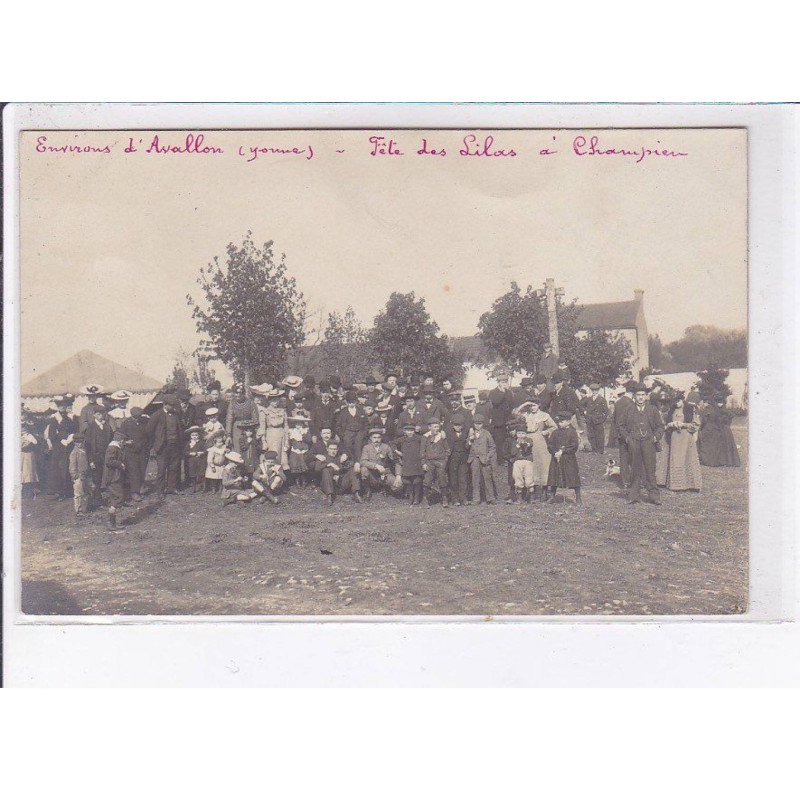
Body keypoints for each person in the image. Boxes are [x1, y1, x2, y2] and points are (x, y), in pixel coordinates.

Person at [618, 384, 665, 504]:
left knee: (650, 470)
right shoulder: (628, 409)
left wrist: (656, 437)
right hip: (633, 442)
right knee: (635, 469)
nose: (640, 397)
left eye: (643, 395)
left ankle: (654, 496)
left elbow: (660, 426)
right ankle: (634, 495)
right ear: (634, 396)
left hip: (649, 442)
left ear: (646, 396)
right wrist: (627, 438)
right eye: (638, 395)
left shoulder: (653, 409)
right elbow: (621, 426)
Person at [512, 397, 556, 501]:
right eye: (530, 406)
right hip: (527, 441)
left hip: (540, 442)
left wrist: (546, 432)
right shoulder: (526, 415)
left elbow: (554, 427)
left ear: (539, 405)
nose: (532, 408)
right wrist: (525, 404)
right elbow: (515, 413)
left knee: (543, 465)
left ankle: (545, 491)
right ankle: (534, 492)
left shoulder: (544, 415)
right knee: (531, 465)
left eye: (534, 405)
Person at [664, 394, 702, 491]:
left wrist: (683, 424)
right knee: (676, 460)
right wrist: (670, 424)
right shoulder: (671, 410)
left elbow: (696, 425)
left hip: (687, 437)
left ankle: (692, 485)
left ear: (682, 400)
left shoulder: (690, 409)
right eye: (674, 402)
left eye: (678, 401)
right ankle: (677, 486)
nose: (676, 404)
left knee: (689, 459)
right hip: (675, 438)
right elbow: (665, 424)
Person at [148, 394, 183, 496]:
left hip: (175, 445)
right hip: (162, 446)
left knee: (173, 467)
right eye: (171, 405)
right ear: (165, 404)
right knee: (162, 469)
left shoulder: (176, 414)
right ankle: (160, 491)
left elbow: (179, 428)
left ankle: (171, 488)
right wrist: (156, 442)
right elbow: (149, 430)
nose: (173, 407)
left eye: (174, 405)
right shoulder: (157, 415)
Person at [44, 395, 76, 499]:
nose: (63, 407)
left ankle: (68, 491)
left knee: (68, 467)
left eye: (64, 405)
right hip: (58, 446)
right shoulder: (54, 418)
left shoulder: (69, 418)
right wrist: (61, 440)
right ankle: (60, 492)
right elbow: (51, 434)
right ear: (57, 406)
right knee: (59, 468)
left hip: (69, 445)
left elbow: (73, 430)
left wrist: (70, 438)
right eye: (60, 405)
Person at [547, 414, 582, 504]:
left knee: (573, 477)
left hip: (568, 459)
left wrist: (563, 451)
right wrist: (554, 452)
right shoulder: (555, 432)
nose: (559, 423)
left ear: (568, 422)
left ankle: (578, 498)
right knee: (554, 477)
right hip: (556, 458)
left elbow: (574, 445)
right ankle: (552, 496)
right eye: (558, 422)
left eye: (562, 422)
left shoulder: (572, 432)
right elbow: (550, 444)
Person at [699, 396, 741, 467]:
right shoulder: (721, 409)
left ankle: (723, 461)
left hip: (721, 429)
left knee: (723, 445)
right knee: (726, 445)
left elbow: (716, 419)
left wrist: (725, 422)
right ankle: (727, 461)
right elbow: (730, 416)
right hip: (724, 429)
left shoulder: (718, 409)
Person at [315, 440, 361, 505]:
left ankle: (356, 493)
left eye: (335, 449)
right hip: (328, 484)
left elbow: (350, 464)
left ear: (338, 449)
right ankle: (329, 496)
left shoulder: (340, 458)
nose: (333, 451)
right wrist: (329, 464)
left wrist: (340, 472)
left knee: (352, 470)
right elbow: (317, 469)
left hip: (340, 483)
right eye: (331, 449)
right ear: (327, 449)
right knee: (326, 470)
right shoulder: (323, 458)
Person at [120, 406, 151, 500]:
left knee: (142, 469)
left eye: (139, 416)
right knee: (134, 472)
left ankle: (141, 487)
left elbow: (150, 434)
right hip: (131, 451)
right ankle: (134, 492)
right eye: (136, 417)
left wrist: (148, 446)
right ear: (132, 415)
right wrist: (126, 442)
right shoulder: (126, 423)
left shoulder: (145, 421)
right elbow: (121, 437)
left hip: (143, 450)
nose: (138, 418)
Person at [611, 381, 637, 488]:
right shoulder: (632, 403)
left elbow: (614, 419)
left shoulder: (618, 402)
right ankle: (634, 480)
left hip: (621, 434)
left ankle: (625, 481)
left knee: (624, 458)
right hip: (631, 434)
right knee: (634, 458)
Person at [467, 413, 497, 505]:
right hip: (474, 460)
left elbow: (492, 447)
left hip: (484, 459)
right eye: (476, 424)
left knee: (487, 478)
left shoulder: (486, 433)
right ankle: (476, 498)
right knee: (475, 479)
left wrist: (488, 456)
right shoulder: (470, 433)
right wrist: (470, 440)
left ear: (483, 424)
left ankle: (491, 498)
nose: (478, 426)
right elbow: (466, 446)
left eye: (479, 424)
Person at [84, 407, 113, 505]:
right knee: (97, 478)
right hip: (95, 456)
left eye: (102, 414)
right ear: (94, 415)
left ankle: (110, 498)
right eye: (98, 414)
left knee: (108, 476)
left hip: (106, 455)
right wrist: (91, 461)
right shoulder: (90, 427)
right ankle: (97, 499)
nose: (101, 416)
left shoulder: (107, 426)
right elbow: (87, 446)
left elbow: (111, 439)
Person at [102, 429, 130, 530]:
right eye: (123, 441)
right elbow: (109, 461)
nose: (124, 443)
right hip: (112, 477)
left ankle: (112, 522)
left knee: (115, 498)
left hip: (115, 476)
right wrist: (120, 464)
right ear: (120, 441)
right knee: (119, 496)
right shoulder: (113, 448)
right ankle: (110, 521)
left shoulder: (115, 447)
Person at [359, 427, 396, 500]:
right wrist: (376, 465)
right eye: (374, 437)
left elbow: (393, 461)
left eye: (379, 437)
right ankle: (368, 490)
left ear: (381, 438)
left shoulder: (386, 447)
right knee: (364, 469)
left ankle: (386, 488)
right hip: (372, 474)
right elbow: (363, 461)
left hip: (384, 473)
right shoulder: (367, 448)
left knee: (398, 487)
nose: (376, 440)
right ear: (370, 438)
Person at [420, 419, 451, 507]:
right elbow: (422, 451)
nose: (436, 429)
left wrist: (444, 461)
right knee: (427, 480)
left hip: (440, 462)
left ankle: (444, 498)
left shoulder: (442, 436)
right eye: (434, 427)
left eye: (438, 427)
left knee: (442, 479)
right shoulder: (425, 437)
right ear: (429, 427)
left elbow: (447, 450)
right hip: (429, 462)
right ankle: (425, 499)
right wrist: (423, 463)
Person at [394, 422, 425, 506]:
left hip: (416, 462)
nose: (409, 432)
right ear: (404, 431)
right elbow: (392, 443)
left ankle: (417, 497)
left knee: (417, 480)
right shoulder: (402, 439)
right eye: (407, 430)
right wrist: (397, 451)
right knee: (407, 481)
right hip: (406, 462)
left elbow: (426, 442)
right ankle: (411, 496)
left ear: (414, 431)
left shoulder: (419, 438)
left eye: (411, 430)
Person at [445, 413, 471, 506]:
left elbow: (467, 446)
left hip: (463, 459)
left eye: (459, 425)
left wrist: (469, 442)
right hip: (453, 459)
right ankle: (455, 499)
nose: (458, 427)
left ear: (463, 425)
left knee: (463, 479)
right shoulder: (448, 434)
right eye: (456, 425)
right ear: (452, 425)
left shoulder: (466, 434)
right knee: (453, 479)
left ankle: (463, 498)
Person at [335, 390, 367, 463]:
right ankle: (350, 463)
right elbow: (338, 426)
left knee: (358, 447)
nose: (351, 403)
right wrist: (343, 435)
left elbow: (366, 423)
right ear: (346, 402)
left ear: (356, 401)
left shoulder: (361, 410)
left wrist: (364, 433)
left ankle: (358, 463)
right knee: (347, 447)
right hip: (347, 433)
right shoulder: (343, 412)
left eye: (353, 401)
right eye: (349, 402)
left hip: (359, 432)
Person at [226, 384, 258, 455]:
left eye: (240, 393)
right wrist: (228, 434)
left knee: (249, 448)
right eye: (236, 393)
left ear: (243, 393)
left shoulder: (250, 402)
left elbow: (255, 417)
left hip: (249, 427)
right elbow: (229, 419)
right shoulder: (232, 403)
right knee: (238, 448)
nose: (238, 395)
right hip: (237, 429)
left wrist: (254, 430)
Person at [508, 424, 535, 503]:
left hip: (527, 461)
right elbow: (512, 453)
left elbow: (530, 445)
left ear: (526, 434)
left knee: (529, 478)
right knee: (518, 478)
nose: (521, 435)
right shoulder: (514, 442)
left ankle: (531, 498)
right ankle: (519, 498)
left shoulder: (529, 440)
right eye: (519, 433)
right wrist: (517, 446)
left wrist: (525, 444)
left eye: (523, 433)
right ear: (516, 434)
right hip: (517, 462)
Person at [68, 433, 92, 515]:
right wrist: (75, 476)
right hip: (78, 476)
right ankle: (79, 510)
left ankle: (85, 509)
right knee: (78, 494)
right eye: (77, 442)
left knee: (85, 492)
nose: (79, 444)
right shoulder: (74, 452)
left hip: (85, 474)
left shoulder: (84, 450)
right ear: (74, 442)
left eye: (81, 442)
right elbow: (72, 466)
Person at [582, 383, 609, 454]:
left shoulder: (602, 399)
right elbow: (581, 405)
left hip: (598, 421)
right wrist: (585, 412)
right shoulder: (588, 399)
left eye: (596, 390)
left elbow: (606, 412)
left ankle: (600, 450)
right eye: (592, 390)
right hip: (590, 420)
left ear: (598, 390)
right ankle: (594, 449)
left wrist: (601, 420)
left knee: (599, 436)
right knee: (591, 435)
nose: (594, 392)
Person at [287, 417, 312, 487]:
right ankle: (297, 481)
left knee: (304, 465)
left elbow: (309, 440)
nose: (298, 425)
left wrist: (303, 434)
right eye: (297, 423)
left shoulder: (306, 431)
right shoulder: (292, 431)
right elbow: (290, 441)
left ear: (303, 424)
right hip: (295, 451)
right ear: (295, 424)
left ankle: (304, 481)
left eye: (300, 424)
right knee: (295, 465)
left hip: (304, 451)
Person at [21, 417, 41, 498]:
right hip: (22, 454)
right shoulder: (20, 436)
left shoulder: (30, 436)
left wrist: (28, 441)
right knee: (22, 470)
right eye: (22, 428)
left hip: (28, 454)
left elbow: (35, 442)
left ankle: (31, 491)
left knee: (29, 471)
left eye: (24, 428)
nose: (22, 430)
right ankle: (23, 489)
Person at [183, 426, 207, 493]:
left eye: (196, 435)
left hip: (200, 460)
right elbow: (185, 452)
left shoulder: (202, 443)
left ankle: (203, 487)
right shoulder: (189, 443)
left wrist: (202, 453)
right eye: (193, 435)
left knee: (202, 473)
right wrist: (190, 453)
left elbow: (206, 450)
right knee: (193, 474)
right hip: (192, 461)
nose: (194, 437)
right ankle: (193, 487)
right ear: (190, 436)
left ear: (199, 435)